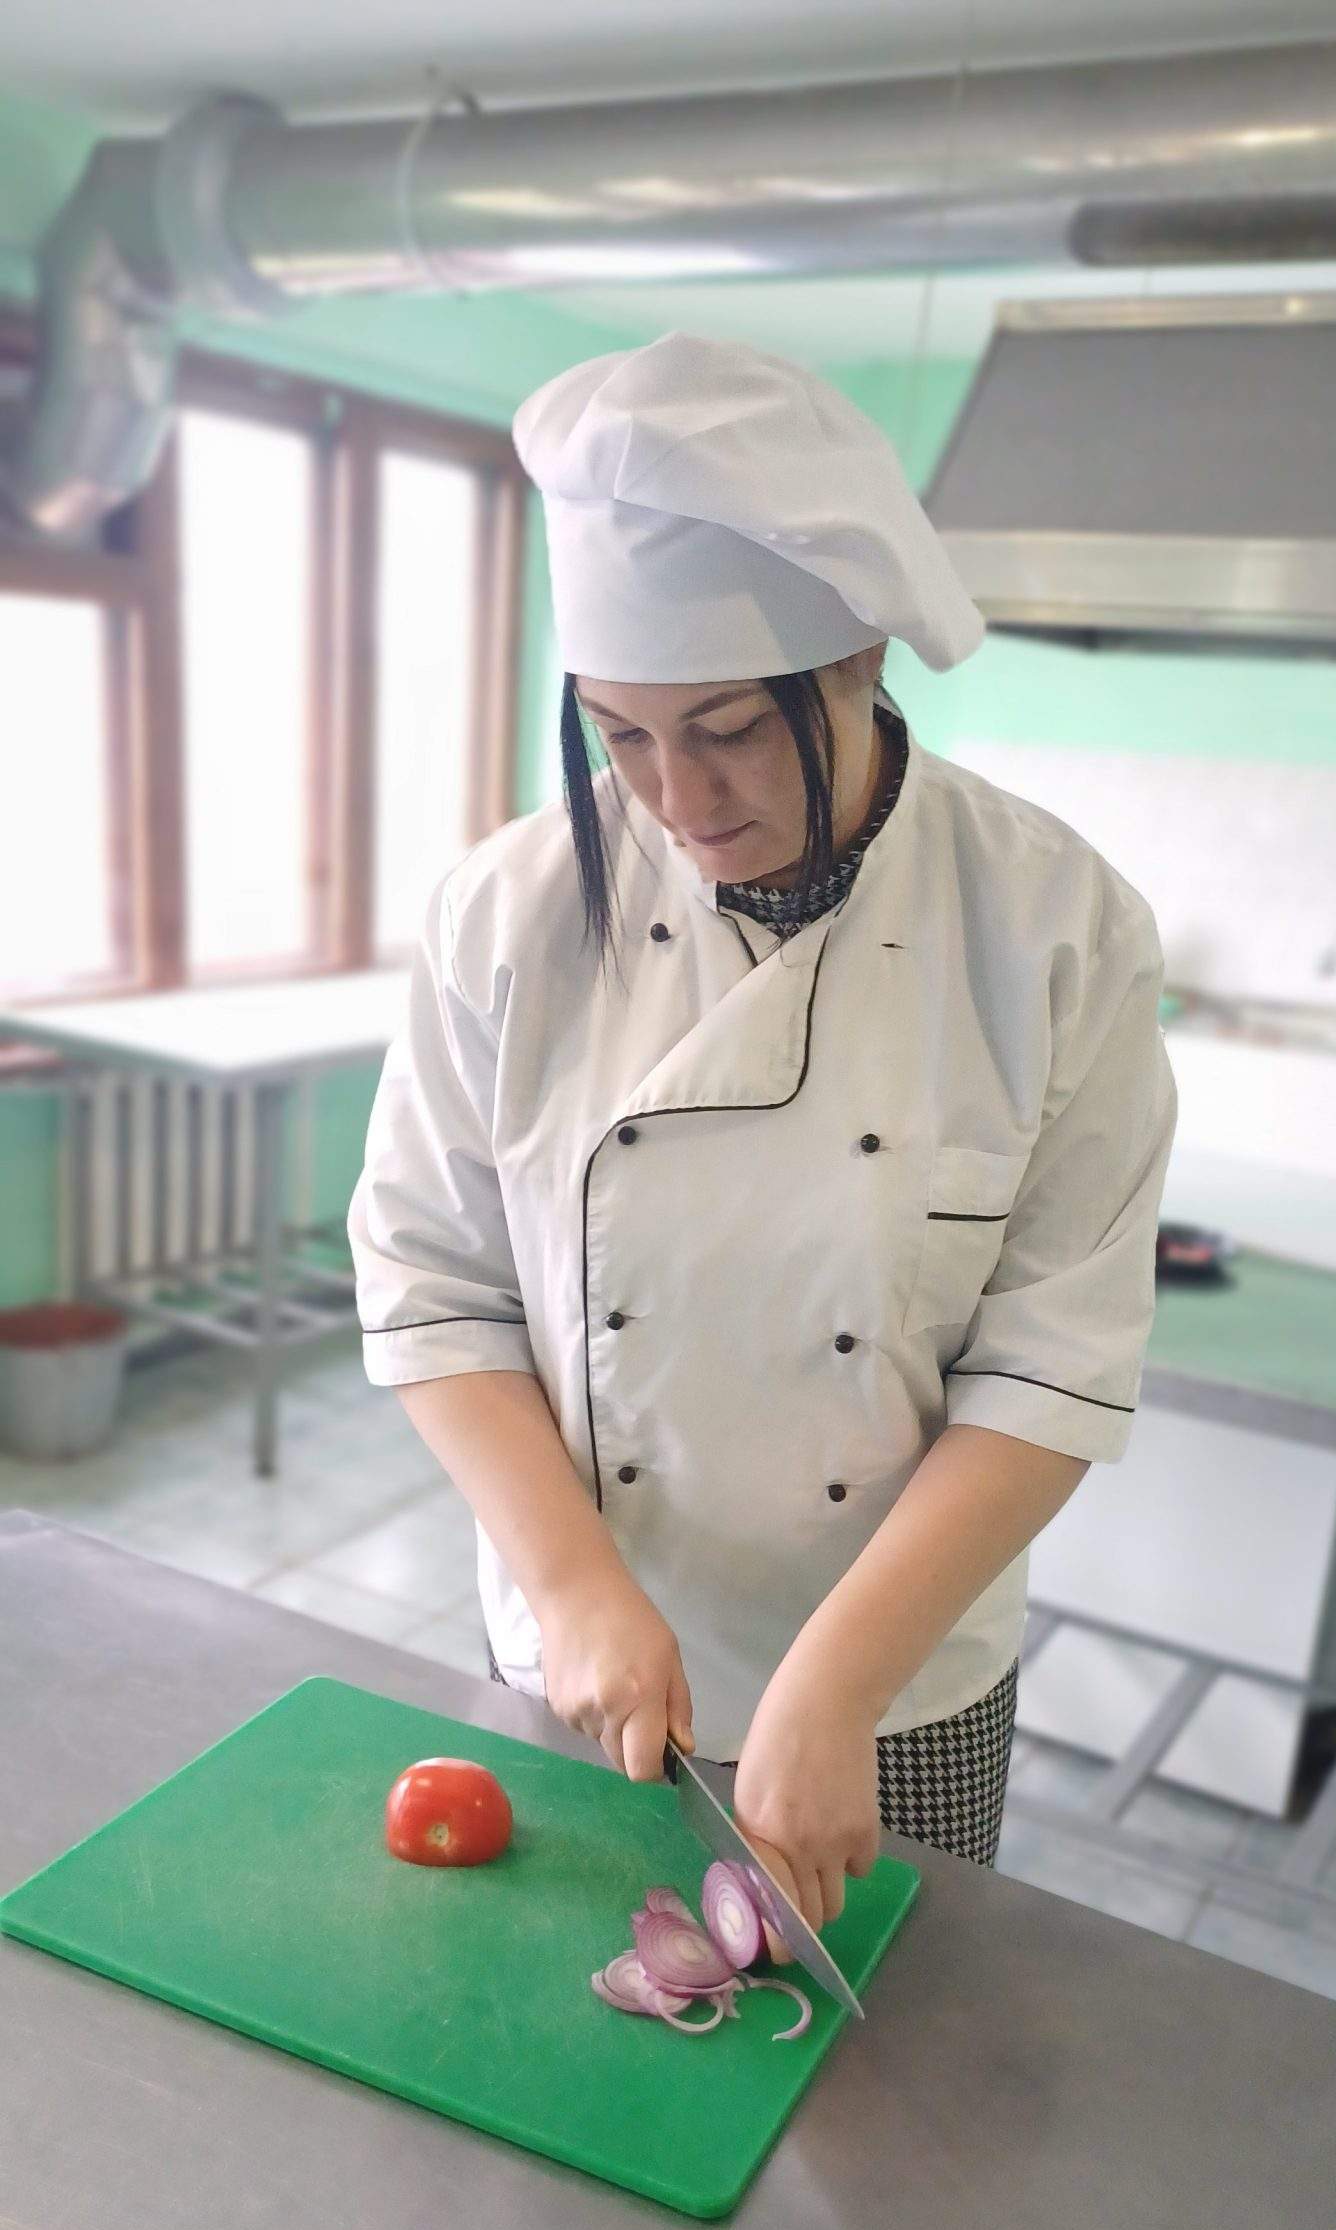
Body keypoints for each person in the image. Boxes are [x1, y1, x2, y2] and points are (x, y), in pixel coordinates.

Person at [347, 330, 1178, 1932]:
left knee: (896, 2057)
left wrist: (836, 1685)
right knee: (559, 2021)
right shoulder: (508, 915)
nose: (677, 798)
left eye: (728, 728)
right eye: (620, 734)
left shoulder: (1055, 928)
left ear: (856, 661)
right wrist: (573, 1586)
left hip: (899, 1684)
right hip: (593, 1654)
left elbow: (1053, 1364)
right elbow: (433, 1286)